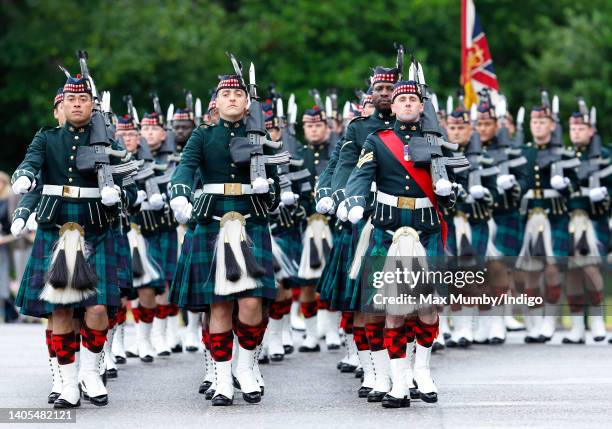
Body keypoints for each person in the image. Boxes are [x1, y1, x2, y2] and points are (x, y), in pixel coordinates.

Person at [11, 73, 135, 408]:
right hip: (57, 231)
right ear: (61, 106)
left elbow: (133, 186)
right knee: (61, 311)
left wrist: (118, 192)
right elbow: (30, 165)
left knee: (96, 309)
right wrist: (23, 178)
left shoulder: (109, 143)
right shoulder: (47, 138)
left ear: (93, 106)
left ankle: (91, 372)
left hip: (96, 231)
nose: (77, 104)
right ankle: (67, 383)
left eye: (83, 100)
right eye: (71, 100)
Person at [169, 71, 281, 406]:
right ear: (215, 103)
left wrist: (270, 187)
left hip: (251, 220)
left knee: (250, 304)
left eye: (238, 94)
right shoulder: (203, 136)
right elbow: (184, 169)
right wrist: (179, 195)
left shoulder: (260, 135)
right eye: (226, 95)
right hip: (213, 220)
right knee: (218, 304)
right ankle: (221, 379)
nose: (232, 99)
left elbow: (275, 187)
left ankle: (246, 368)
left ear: (247, 103)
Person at [345, 78, 457, 408]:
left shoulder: (436, 141)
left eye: (413, 100)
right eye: (401, 100)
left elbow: (451, 194)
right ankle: (398, 383)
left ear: (422, 107)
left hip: (426, 229)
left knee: (427, 306)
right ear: (392, 107)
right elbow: (361, 175)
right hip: (390, 229)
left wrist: (449, 192)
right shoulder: (377, 141)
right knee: (391, 310)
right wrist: (353, 200)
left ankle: (422, 370)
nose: (407, 104)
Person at [563, 104, 610, 343]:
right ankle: (577, 327)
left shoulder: (605, 155)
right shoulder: (565, 156)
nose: (576, 131)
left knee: (592, 269)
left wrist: (604, 193)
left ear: (591, 130)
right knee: (571, 272)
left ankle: (598, 320)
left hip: (594, 219)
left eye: (581, 127)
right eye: (573, 127)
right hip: (571, 220)